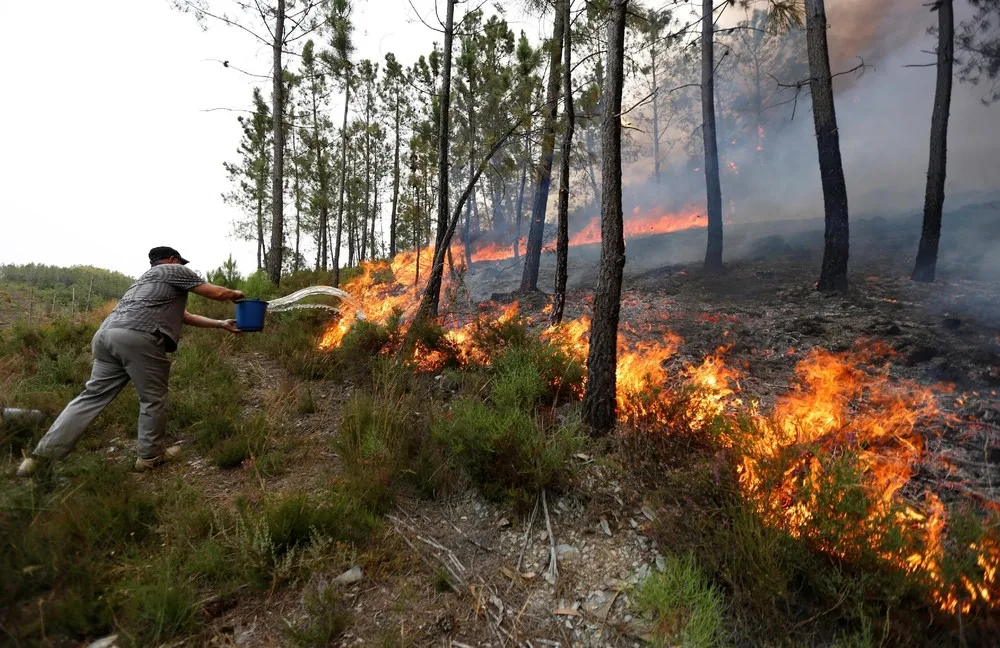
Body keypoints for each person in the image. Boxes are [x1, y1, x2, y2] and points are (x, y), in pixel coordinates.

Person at [16, 246, 245, 477]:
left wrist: (220, 323)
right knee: (153, 398)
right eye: (180, 262)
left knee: (91, 397)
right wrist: (236, 294)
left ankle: (40, 457)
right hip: (138, 336)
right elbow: (217, 293)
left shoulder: (142, 283)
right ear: (172, 259)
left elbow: (185, 316)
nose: (182, 267)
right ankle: (150, 456)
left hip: (105, 336)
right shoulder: (173, 270)